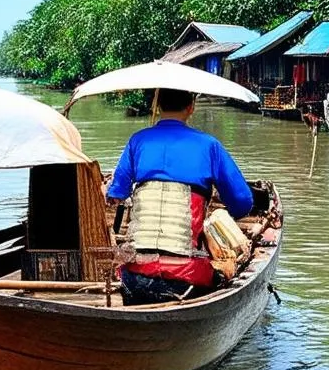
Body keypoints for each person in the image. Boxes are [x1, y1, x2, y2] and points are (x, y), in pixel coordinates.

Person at [106, 87, 252, 305]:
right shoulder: (209, 146)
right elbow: (242, 203)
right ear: (191, 107)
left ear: (158, 106)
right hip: (187, 279)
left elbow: (116, 193)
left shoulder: (138, 141)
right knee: (222, 272)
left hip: (134, 278)